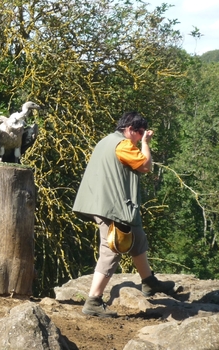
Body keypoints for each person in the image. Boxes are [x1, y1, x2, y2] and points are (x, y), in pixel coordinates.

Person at [72, 111, 175, 317]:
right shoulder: (124, 144)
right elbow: (145, 166)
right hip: (111, 206)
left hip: (101, 202)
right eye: (140, 132)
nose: (141, 136)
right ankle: (93, 300)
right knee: (112, 248)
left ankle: (149, 282)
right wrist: (145, 144)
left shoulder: (105, 141)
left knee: (137, 238)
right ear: (130, 130)